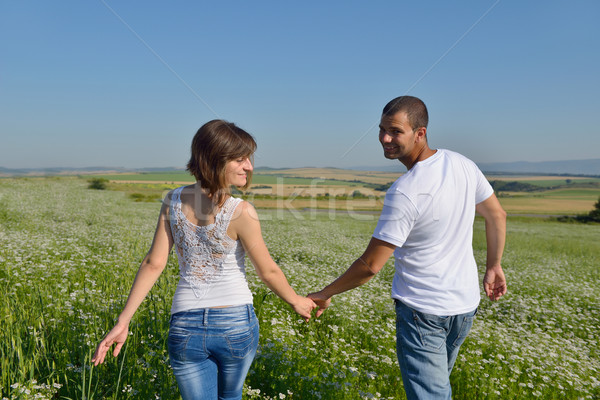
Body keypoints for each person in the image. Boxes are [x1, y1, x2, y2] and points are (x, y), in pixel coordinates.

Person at [92, 119, 317, 400]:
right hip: (235, 324)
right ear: (214, 159)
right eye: (240, 159)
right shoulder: (242, 211)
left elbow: (154, 263)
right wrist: (297, 300)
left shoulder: (171, 201)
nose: (249, 166)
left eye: (249, 158)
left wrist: (123, 321)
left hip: (185, 326)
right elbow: (268, 271)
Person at [308, 96, 507, 399]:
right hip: (464, 308)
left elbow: (371, 265)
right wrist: (494, 265)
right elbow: (496, 215)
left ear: (420, 133)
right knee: (438, 389)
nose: (385, 138)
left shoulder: (404, 191)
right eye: (382, 129)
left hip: (423, 312)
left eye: (395, 131)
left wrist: (324, 293)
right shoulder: (462, 163)